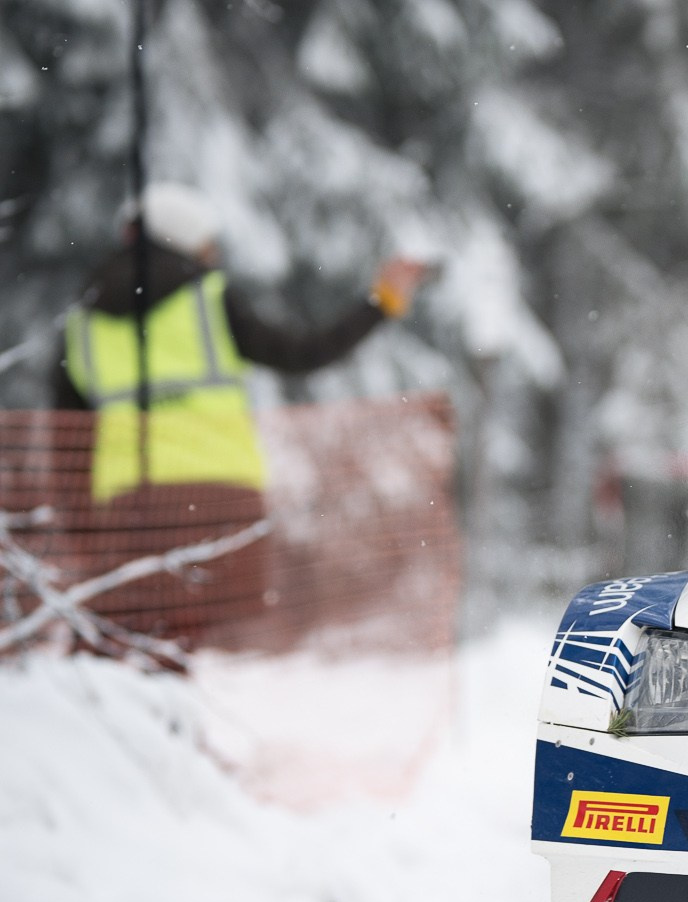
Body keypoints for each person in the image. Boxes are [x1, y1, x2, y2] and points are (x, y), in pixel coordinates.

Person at [50, 182, 430, 651]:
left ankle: (119, 717)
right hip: (217, 496)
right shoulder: (210, 298)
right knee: (181, 636)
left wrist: (80, 530)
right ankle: (163, 716)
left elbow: (67, 439)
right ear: (186, 241)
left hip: (128, 501)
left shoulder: (82, 320)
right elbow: (303, 352)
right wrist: (381, 302)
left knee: (115, 636)